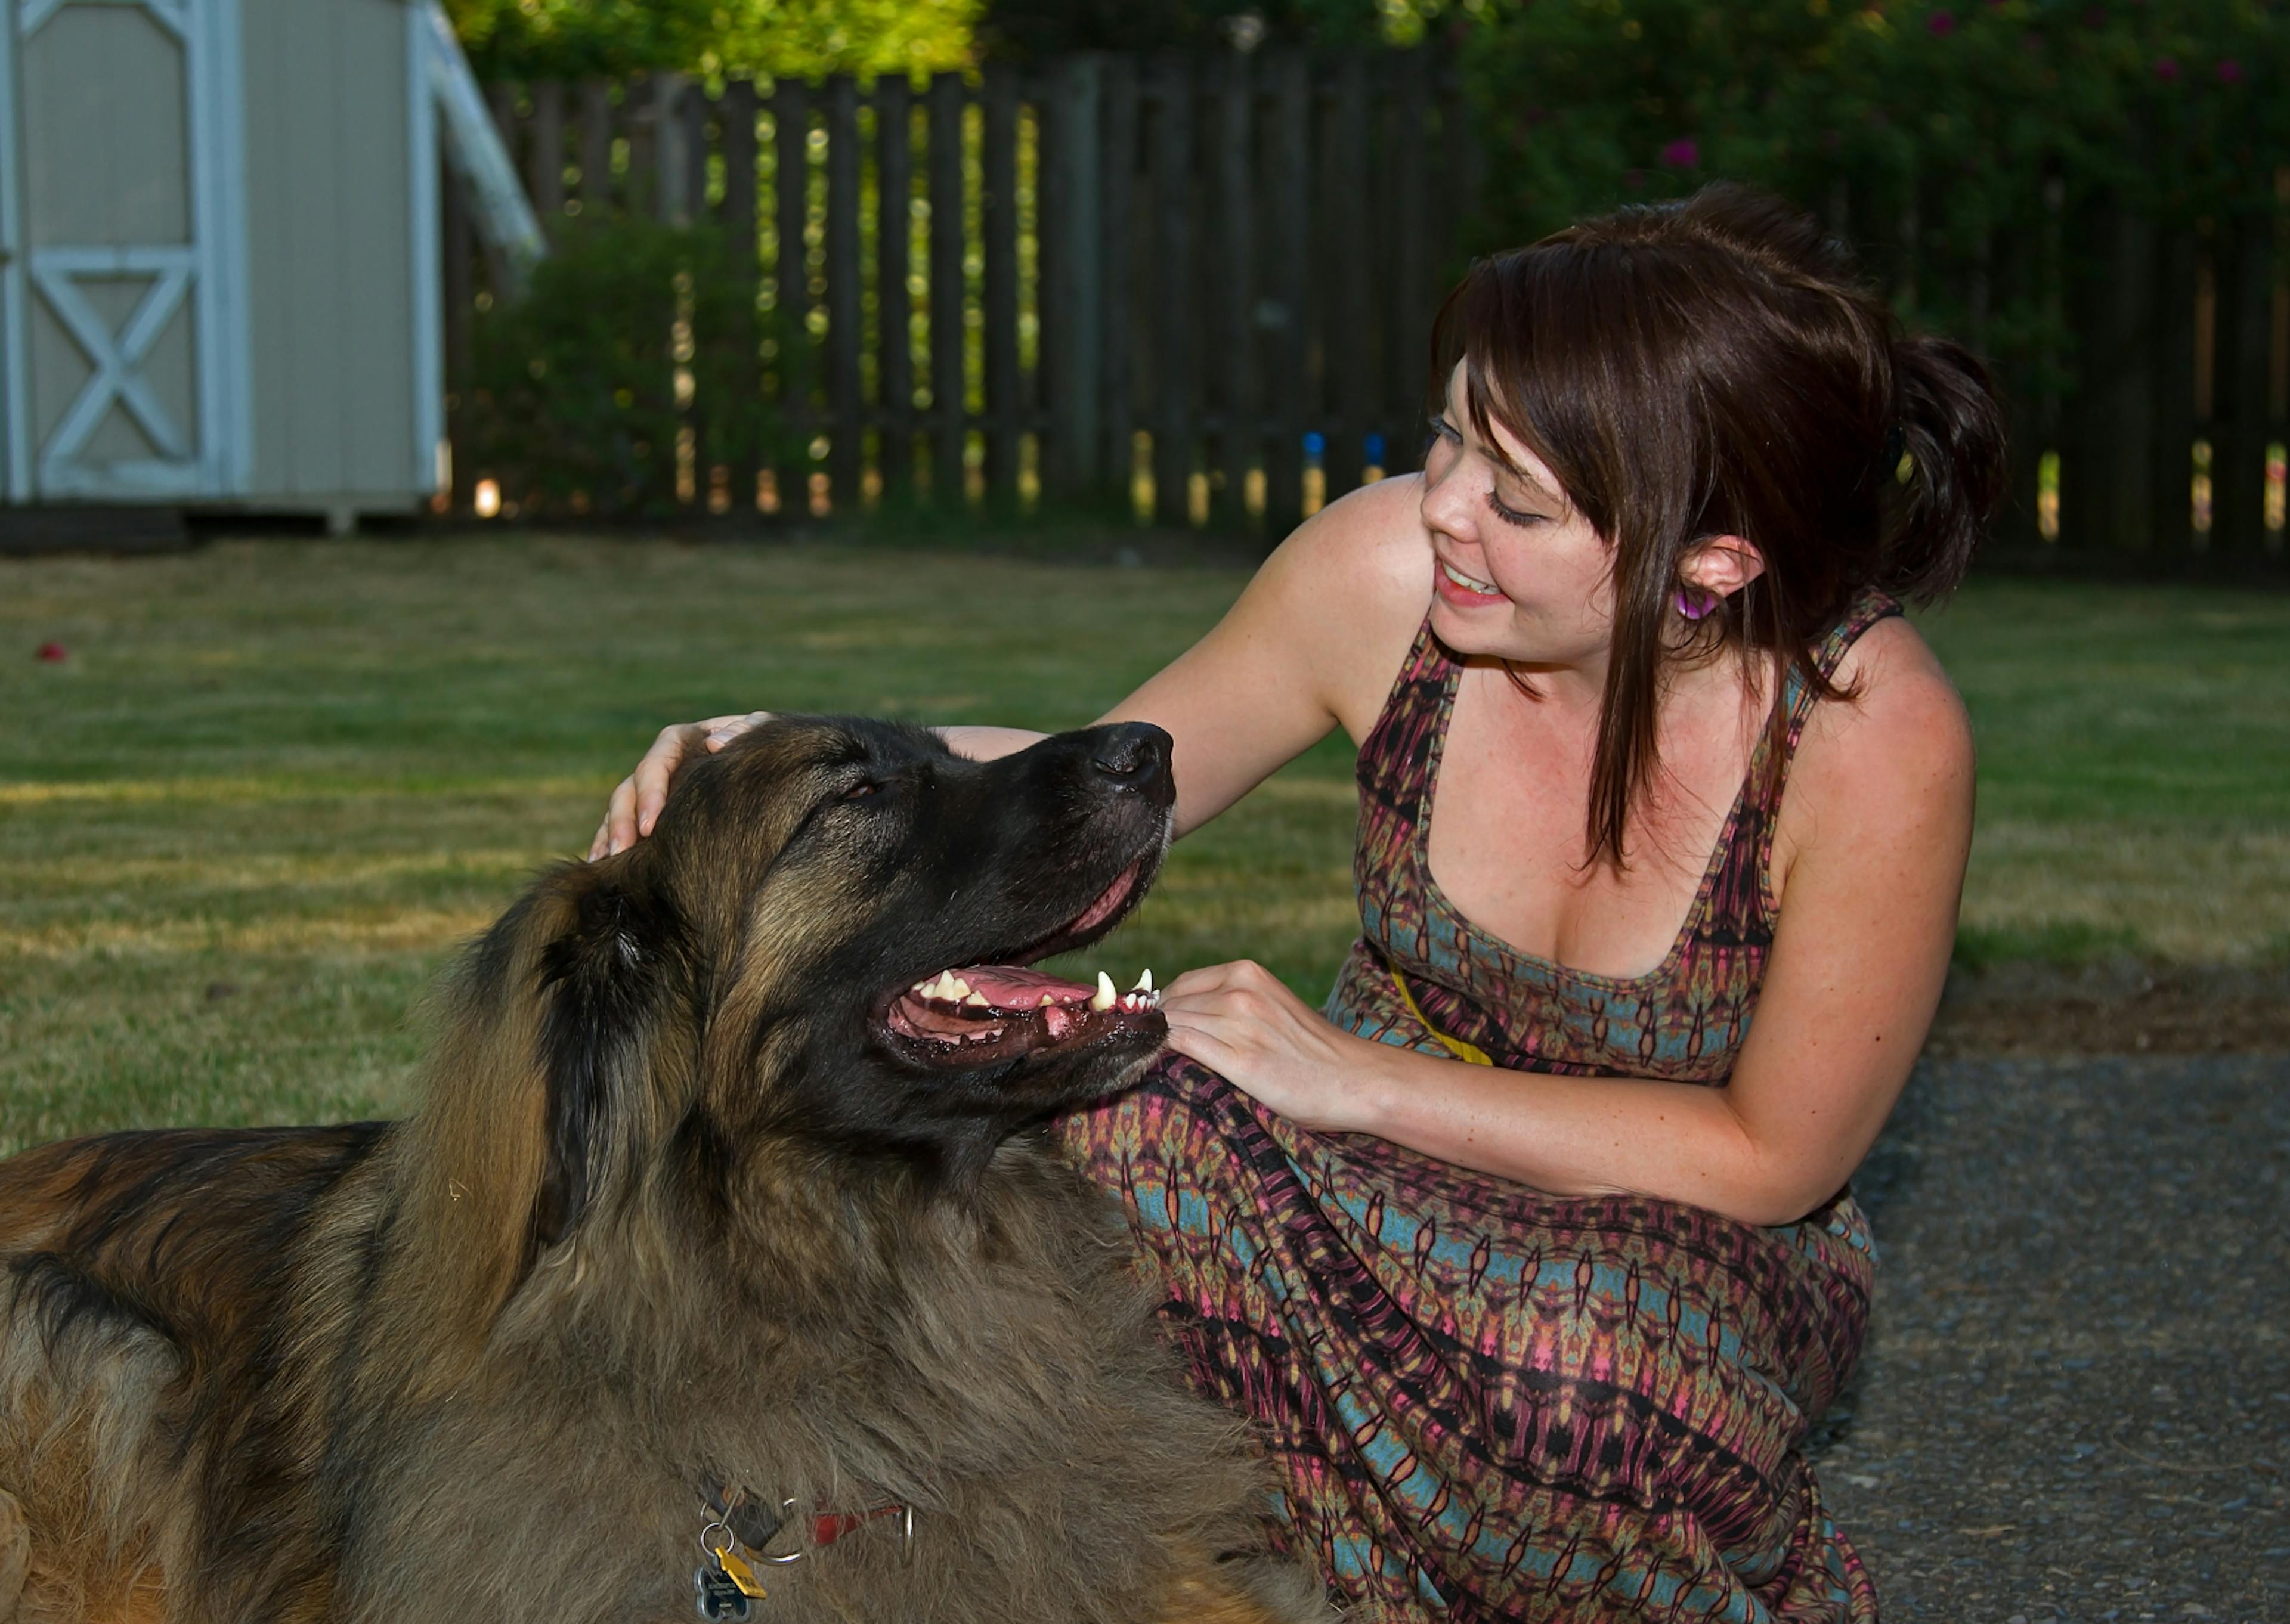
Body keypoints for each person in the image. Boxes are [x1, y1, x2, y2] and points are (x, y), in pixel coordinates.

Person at [590, 185, 2003, 1623]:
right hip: (1366, 1208)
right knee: (1112, 1118)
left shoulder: (1869, 738)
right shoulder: (1386, 575)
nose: (1444, 505)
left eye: (1517, 499)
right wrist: (765, 747)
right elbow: (1114, 775)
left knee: (1587, 1370)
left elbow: (1770, 1158)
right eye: (1451, 436)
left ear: (1712, 564)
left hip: (1684, 1253)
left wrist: (1355, 1081)